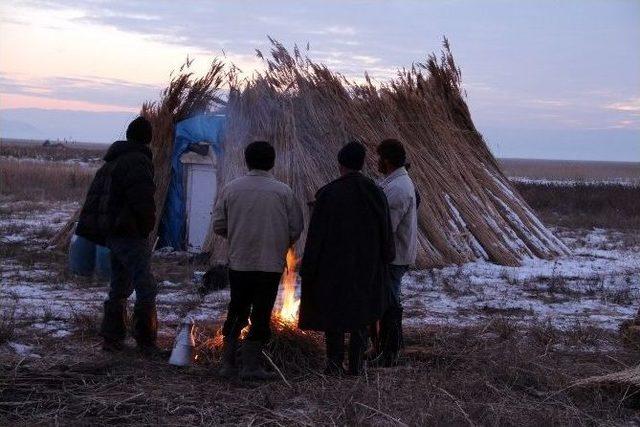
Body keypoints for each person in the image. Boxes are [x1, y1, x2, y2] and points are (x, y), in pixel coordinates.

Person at [299, 141, 395, 375]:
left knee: (335, 316)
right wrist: (387, 256)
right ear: (361, 164)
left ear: (340, 164)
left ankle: (333, 365)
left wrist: (308, 267)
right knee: (361, 317)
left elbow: (316, 236)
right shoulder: (376, 193)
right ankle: (356, 367)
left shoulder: (328, 194)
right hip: (366, 268)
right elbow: (386, 230)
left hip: (334, 269)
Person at [213, 141, 304, 380]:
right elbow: (295, 227)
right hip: (269, 265)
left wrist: (237, 236)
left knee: (237, 310)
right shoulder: (283, 192)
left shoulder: (231, 189)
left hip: (240, 263)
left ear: (247, 160)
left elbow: (219, 225)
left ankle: (228, 363)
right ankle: (251, 366)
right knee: (261, 313)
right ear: (272, 162)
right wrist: (279, 242)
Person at [75, 116, 159, 356]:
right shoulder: (137, 161)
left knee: (120, 284)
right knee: (146, 285)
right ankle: (146, 341)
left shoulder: (114, 161)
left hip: (113, 233)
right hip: (129, 233)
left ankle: (112, 338)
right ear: (148, 138)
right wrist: (146, 228)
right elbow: (143, 200)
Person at [372, 138, 418, 366]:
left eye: (379, 158)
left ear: (387, 160)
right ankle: (387, 348)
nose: (377, 162)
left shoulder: (398, 188)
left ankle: (388, 352)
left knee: (389, 302)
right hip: (395, 254)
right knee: (387, 299)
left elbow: (386, 226)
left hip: (394, 256)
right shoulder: (394, 182)